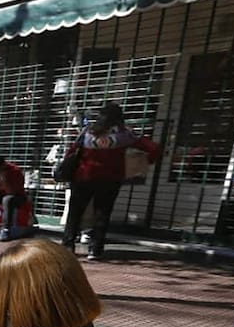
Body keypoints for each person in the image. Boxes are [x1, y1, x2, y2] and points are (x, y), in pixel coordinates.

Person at [62, 102, 162, 260]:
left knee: (75, 213)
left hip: (83, 177)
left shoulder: (88, 132)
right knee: (102, 214)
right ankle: (95, 249)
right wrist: (145, 161)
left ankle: (68, 245)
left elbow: (71, 151)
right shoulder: (125, 134)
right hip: (110, 179)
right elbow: (154, 148)